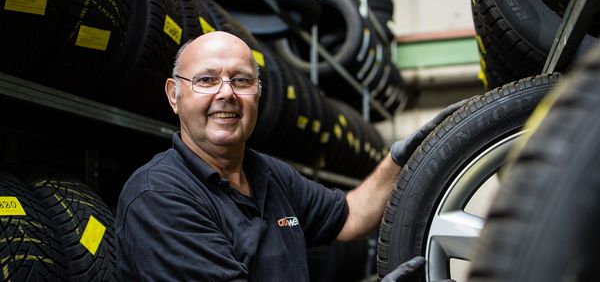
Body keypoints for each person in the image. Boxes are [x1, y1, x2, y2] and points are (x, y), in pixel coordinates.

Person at [115, 31, 462, 281]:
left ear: (258, 95)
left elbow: (350, 216)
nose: (226, 94)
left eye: (241, 80)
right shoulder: (158, 198)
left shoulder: (268, 173)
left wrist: (403, 158)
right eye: (206, 80)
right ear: (174, 95)